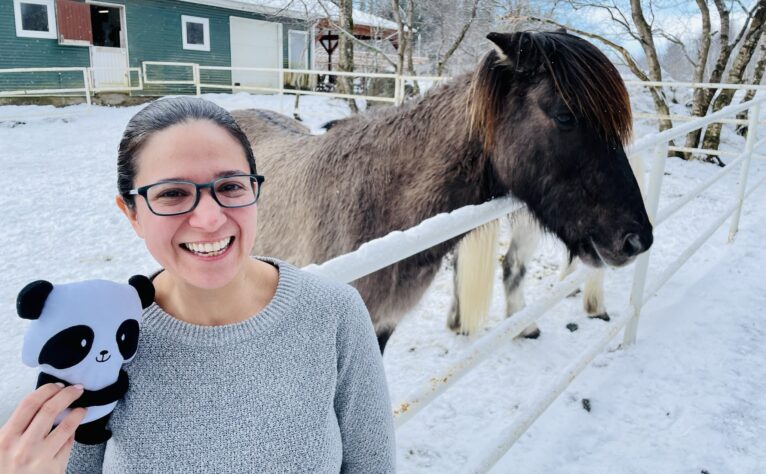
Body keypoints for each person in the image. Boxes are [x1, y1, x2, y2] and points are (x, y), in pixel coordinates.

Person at [0, 97, 396, 473]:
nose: (209, 219)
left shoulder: (334, 312)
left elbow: (371, 464)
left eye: (230, 187)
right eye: (172, 193)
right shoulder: (102, 337)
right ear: (132, 214)